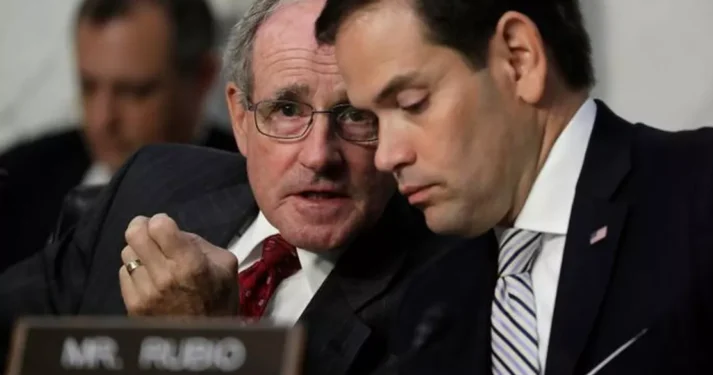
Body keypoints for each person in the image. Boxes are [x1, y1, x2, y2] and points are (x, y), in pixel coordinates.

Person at [0, 0, 469, 374]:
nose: (320, 155)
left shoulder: (444, 301)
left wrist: (207, 344)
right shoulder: (151, 182)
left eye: (354, 115)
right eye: (287, 109)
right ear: (241, 119)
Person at [314, 0, 713, 374]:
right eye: (371, 119)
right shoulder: (432, 307)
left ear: (519, 59)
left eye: (412, 103)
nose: (386, 155)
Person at [0, 0, 237, 272]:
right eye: (88, 86)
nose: (103, 119)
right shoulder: (18, 184)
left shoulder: (253, 191)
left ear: (202, 78)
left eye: (133, 92)